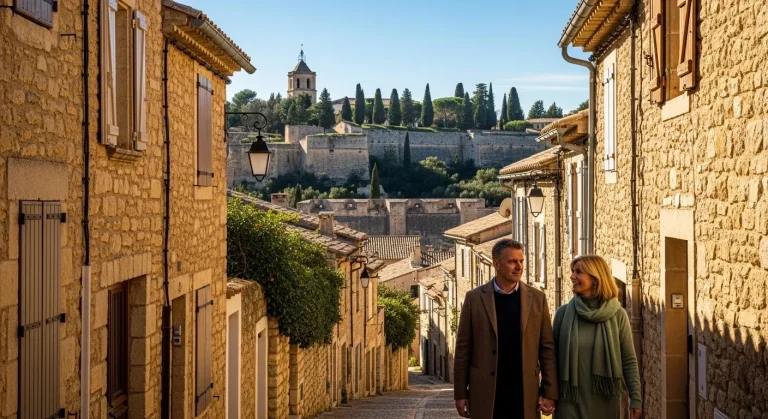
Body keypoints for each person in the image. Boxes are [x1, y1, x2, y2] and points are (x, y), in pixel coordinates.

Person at [454, 239, 558, 419]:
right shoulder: (474, 299)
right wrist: (461, 393)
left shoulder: (537, 299)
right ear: (496, 264)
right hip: (486, 393)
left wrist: (550, 392)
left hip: (525, 392)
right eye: (512, 262)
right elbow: (463, 350)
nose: (519, 267)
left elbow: (546, 349)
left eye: (521, 261)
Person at [553, 255, 642, 419]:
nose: (572, 276)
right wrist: (547, 393)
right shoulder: (563, 314)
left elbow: (628, 359)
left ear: (595, 277)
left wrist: (635, 398)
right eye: (572, 271)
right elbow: (550, 359)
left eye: (578, 272)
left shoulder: (617, 315)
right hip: (569, 401)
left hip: (606, 402)